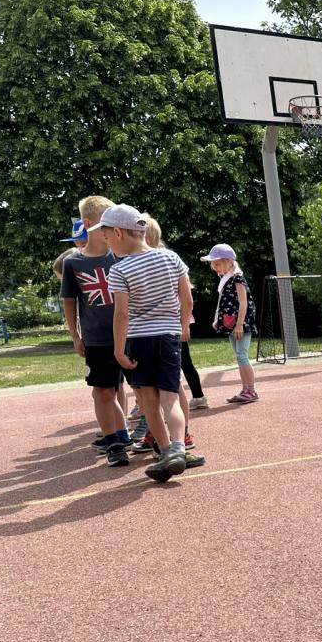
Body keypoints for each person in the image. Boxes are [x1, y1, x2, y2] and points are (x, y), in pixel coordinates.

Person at [100, 204, 201, 482]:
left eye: (107, 238)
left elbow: (121, 314)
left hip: (139, 339)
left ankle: (167, 451)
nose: (108, 244)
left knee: (149, 401)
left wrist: (118, 349)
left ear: (118, 233)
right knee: (171, 397)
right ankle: (179, 447)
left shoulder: (119, 270)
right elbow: (187, 299)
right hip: (169, 337)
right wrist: (182, 327)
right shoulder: (171, 258)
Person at [58, 203, 131, 468]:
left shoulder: (122, 257)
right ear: (89, 224)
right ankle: (113, 443)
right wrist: (75, 336)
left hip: (129, 335)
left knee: (141, 388)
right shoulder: (73, 263)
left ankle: (150, 436)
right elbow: (69, 302)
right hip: (97, 339)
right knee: (102, 391)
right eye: (107, 220)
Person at [139, 214, 200, 455]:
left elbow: (186, 297)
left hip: (167, 330)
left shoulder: (164, 260)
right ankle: (161, 432)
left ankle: (180, 434)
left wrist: (184, 326)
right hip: (160, 331)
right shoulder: (145, 262)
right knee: (160, 388)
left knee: (169, 387)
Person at [204, 243, 259, 404]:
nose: (215, 268)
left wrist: (240, 324)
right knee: (239, 356)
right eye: (213, 265)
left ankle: (251, 390)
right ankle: (245, 389)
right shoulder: (225, 279)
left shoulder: (237, 277)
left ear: (229, 261)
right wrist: (217, 319)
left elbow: (243, 302)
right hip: (231, 323)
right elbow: (222, 302)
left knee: (242, 355)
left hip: (241, 323)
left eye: (217, 264)